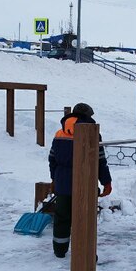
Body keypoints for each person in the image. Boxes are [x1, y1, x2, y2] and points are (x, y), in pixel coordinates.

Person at [48, 102, 112, 258]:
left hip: (62, 183)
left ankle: (60, 250)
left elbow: (52, 159)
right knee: (85, 218)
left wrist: (54, 178)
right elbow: (100, 160)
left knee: (62, 217)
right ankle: (85, 253)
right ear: (87, 116)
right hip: (85, 182)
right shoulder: (92, 133)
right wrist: (106, 182)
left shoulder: (59, 134)